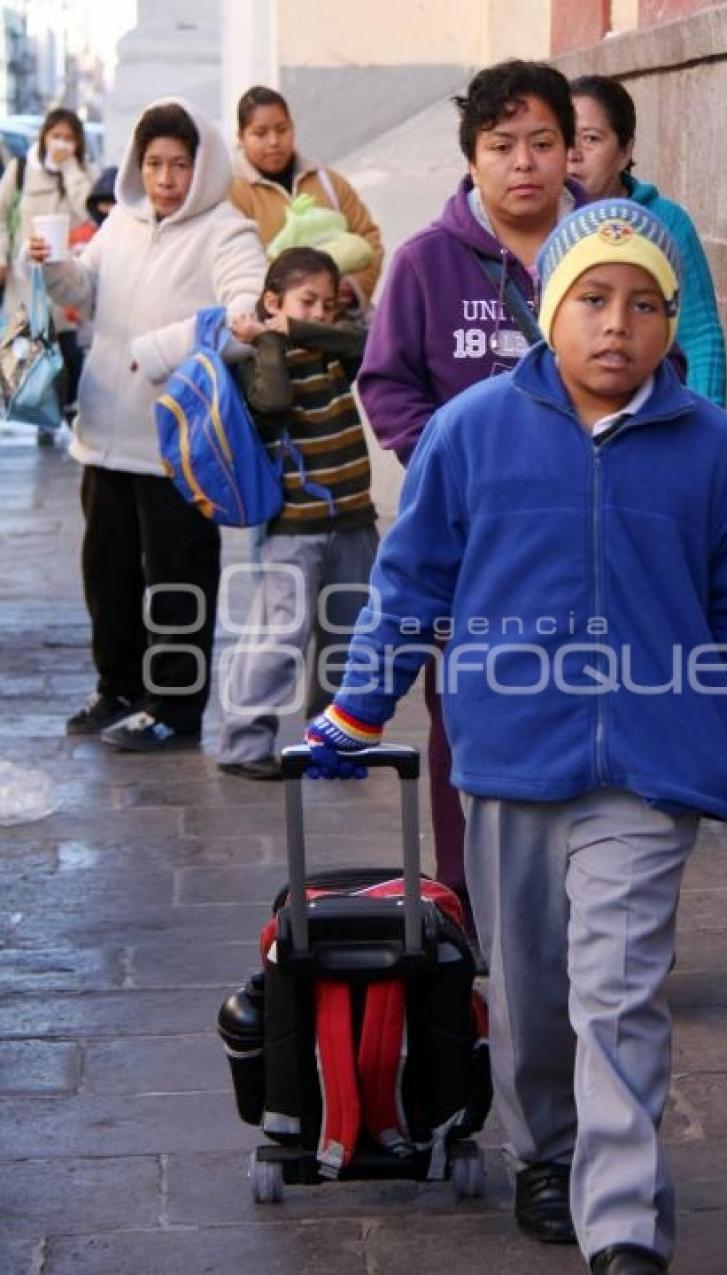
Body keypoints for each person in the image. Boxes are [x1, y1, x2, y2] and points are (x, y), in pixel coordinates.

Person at [305, 200, 727, 1272]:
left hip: (650, 771)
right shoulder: (471, 432)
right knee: (527, 987)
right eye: (593, 300)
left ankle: (619, 1228)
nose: (618, 325)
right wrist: (357, 705)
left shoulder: (717, 455)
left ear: (670, 322)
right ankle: (545, 1148)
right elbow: (410, 582)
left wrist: (724, 724)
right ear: (547, 310)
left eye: (644, 304)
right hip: (511, 755)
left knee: (617, 990)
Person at [357, 58, 586, 925]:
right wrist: (451, 473)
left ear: (571, 150)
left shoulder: (612, 247)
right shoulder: (426, 263)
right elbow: (387, 384)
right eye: (502, 145)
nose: (523, 161)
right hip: (474, 549)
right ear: (473, 156)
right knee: (467, 719)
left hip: (592, 537)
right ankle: (472, 916)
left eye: (542, 142)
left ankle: (598, 915)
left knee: (601, 703)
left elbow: (661, 362)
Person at [27, 98, 267, 752]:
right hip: (104, 435)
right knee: (107, 574)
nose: (165, 178)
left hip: (177, 446)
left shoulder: (227, 230)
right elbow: (84, 295)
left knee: (178, 579)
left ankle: (176, 707)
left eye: (180, 164)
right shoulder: (122, 224)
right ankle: (119, 686)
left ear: (203, 165)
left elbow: (248, 318)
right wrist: (52, 265)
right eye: (155, 163)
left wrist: (166, 348)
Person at [217, 246, 378, 780]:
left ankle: (330, 738)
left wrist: (300, 328)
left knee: (346, 635)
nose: (319, 314)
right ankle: (244, 743)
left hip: (353, 519)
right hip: (294, 527)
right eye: (306, 302)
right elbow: (274, 403)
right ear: (272, 301)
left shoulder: (333, 350)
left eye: (327, 305)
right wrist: (269, 337)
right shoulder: (260, 356)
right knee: (277, 636)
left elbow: (366, 343)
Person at [568, 74, 727, 406]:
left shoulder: (665, 222)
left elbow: (700, 338)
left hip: (652, 414)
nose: (574, 154)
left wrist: (700, 431)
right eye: (563, 139)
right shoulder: (540, 223)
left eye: (591, 139)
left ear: (625, 151)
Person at [230, 85, 383, 318]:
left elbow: (369, 241)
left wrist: (351, 287)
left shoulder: (329, 183)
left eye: (282, 130)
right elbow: (236, 265)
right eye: (260, 133)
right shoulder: (233, 194)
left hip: (341, 323)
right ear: (240, 138)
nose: (274, 141)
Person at [0, 108, 98, 439]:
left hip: (70, 273)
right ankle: (42, 414)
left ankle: (69, 409)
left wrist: (70, 167)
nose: (61, 143)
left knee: (69, 350)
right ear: (43, 137)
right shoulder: (22, 170)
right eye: (56, 136)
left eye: (69, 138)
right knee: (32, 347)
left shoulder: (84, 172)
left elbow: (88, 209)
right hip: (27, 277)